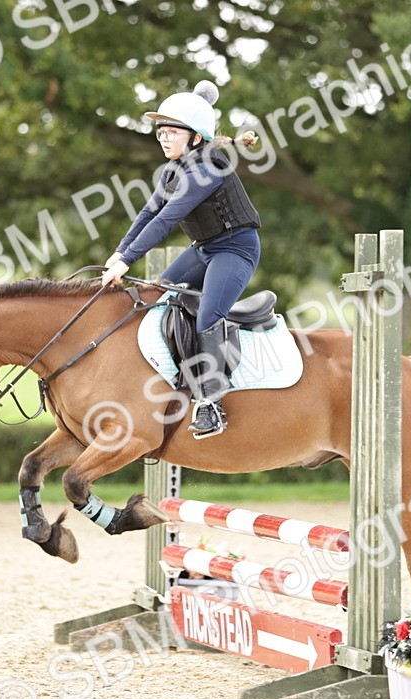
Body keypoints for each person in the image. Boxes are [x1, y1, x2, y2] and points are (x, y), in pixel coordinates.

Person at [101, 80, 261, 440]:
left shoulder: (209, 168)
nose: (164, 138)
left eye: (172, 132)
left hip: (236, 249)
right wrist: (119, 252)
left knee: (208, 316)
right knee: (156, 298)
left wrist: (127, 262)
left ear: (196, 138)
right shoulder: (173, 170)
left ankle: (211, 403)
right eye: (161, 132)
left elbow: (166, 220)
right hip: (204, 249)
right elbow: (147, 214)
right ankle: (171, 380)